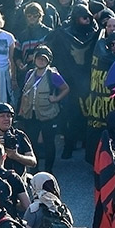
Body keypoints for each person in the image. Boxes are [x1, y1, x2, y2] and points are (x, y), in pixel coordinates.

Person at [17, 45, 68, 173]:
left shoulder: (53, 75)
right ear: (34, 59)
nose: (41, 61)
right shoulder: (29, 74)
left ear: (49, 60)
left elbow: (66, 88)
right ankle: (34, 170)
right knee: (32, 143)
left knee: (49, 143)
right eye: (39, 58)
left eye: (44, 59)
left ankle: (48, 170)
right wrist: (21, 110)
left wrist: (56, 99)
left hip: (48, 114)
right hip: (31, 114)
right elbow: (25, 93)